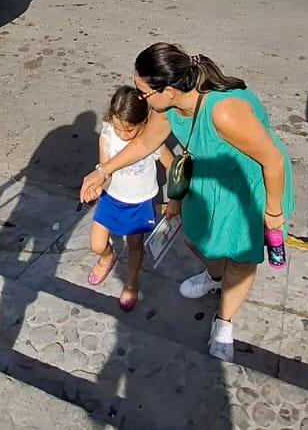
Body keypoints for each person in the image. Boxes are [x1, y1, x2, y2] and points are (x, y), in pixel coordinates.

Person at [80, 44, 293, 362]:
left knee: (239, 258)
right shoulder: (167, 108)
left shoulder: (222, 111)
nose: (141, 99)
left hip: (247, 185)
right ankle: (214, 278)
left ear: (166, 89)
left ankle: (223, 322)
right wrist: (102, 171)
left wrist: (273, 211)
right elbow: (144, 142)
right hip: (207, 177)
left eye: (144, 92)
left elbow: (273, 161)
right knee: (195, 239)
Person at [88, 85, 173, 312]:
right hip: (111, 198)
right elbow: (105, 170)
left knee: (135, 246)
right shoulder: (107, 135)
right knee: (97, 244)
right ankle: (107, 256)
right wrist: (98, 187)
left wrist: (179, 192)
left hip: (139, 201)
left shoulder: (151, 140)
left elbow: (171, 165)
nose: (123, 134)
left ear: (144, 122)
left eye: (129, 130)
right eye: (118, 128)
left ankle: (132, 280)